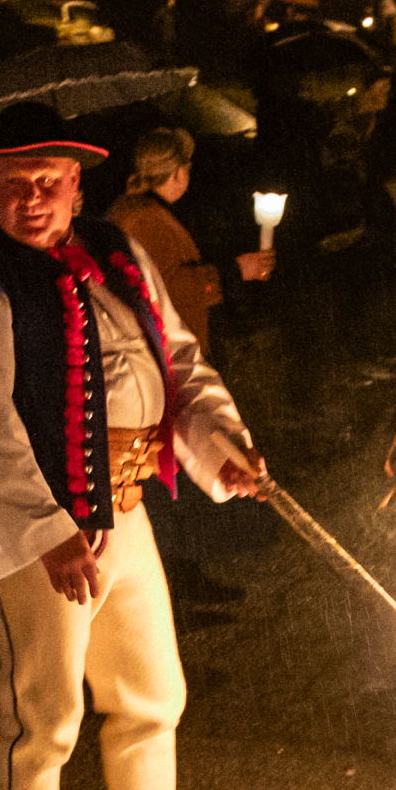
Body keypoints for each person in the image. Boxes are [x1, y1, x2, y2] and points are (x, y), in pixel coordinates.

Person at [0, 101, 268, 790]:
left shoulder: (119, 254)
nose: (32, 200)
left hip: (128, 512)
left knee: (154, 694)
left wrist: (220, 447)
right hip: (50, 533)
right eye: (12, 185)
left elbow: (179, 360)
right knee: (43, 722)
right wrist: (45, 533)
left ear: (77, 185)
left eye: (48, 183)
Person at [109, 126, 276, 606]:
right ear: (178, 171)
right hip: (151, 376)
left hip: (165, 374)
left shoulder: (137, 214)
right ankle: (177, 581)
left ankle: (178, 579)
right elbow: (170, 294)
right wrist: (230, 273)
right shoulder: (144, 220)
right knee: (163, 490)